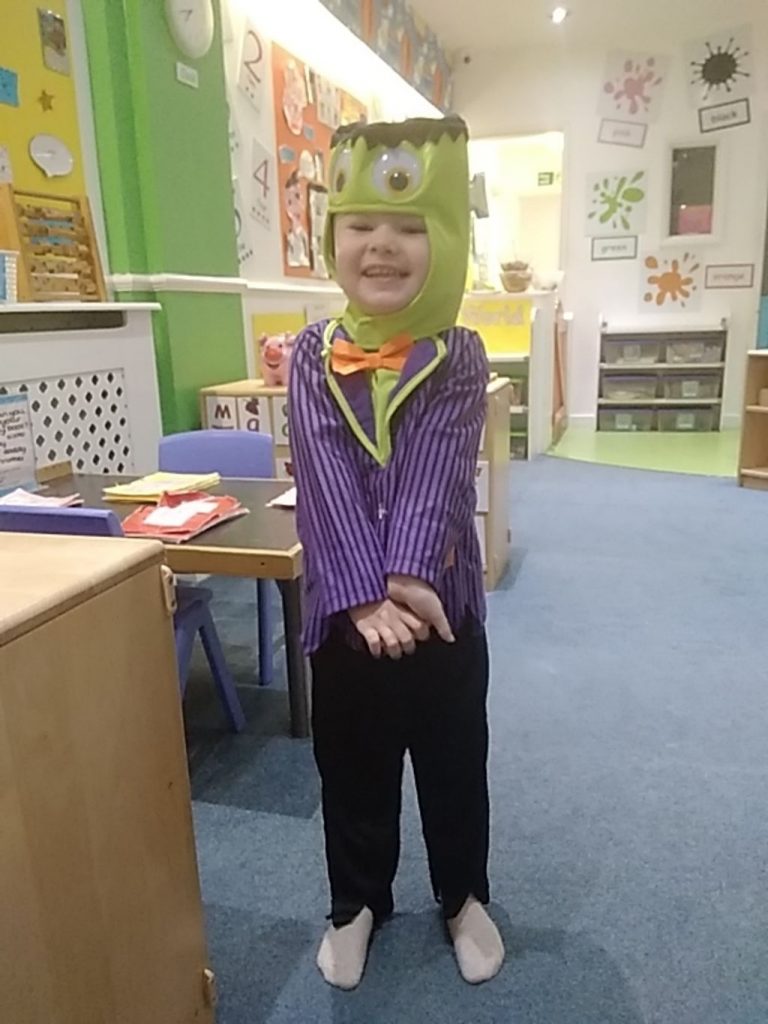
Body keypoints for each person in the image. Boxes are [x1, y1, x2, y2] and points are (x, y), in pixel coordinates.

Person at [287, 114, 505, 991]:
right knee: (351, 769)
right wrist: (362, 595)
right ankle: (356, 903)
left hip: (441, 609)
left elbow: (436, 469)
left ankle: (464, 896)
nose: (381, 245)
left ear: (446, 239)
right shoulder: (310, 354)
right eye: (361, 225)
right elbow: (323, 473)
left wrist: (409, 577)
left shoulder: (460, 355)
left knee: (455, 764)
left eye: (411, 227)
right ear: (332, 237)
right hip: (347, 619)